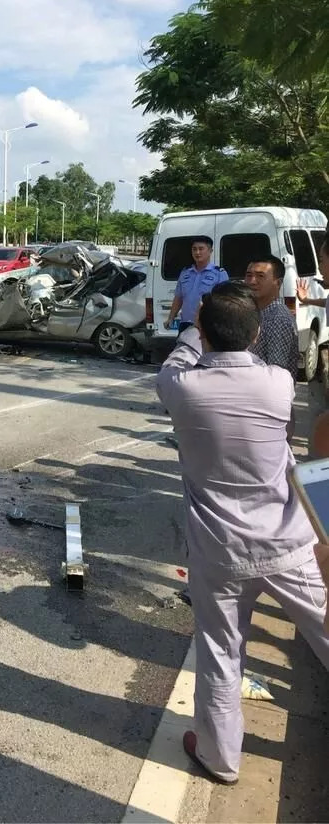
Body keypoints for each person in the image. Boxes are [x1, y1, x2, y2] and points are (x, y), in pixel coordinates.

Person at [157, 283, 329, 785]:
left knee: (222, 653)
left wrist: (198, 322)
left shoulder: (181, 388)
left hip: (219, 551)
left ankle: (219, 757)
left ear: (204, 334)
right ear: (256, 335)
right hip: (287, 540)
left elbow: (178, 357)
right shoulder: (279, 383)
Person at [244, 257, 299, 382]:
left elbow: (275, 373)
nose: (252, 281)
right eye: (249, 275)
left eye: (260, 276)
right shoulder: (257, 312)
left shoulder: (278, 319)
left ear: (278, 283)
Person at [165, 237, 228, 333]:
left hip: (207, 324)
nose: (197, 252)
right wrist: (171, 318)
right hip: (185, 324)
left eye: (201, 249)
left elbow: (224, 302)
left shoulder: (219, 273)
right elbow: (179, 297)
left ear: (210, 251)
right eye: (194, 249)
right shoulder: (185, 272)